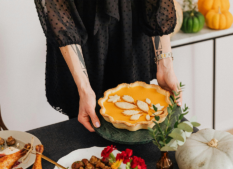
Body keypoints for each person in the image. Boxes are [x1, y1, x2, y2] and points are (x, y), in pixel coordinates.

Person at [34, 0, 181, 132]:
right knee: (87, 126)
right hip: (80, 32)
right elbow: (57, 9)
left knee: (138, 122)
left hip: (131, 25)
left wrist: (165, 66)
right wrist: (84, 88)